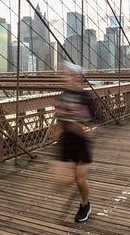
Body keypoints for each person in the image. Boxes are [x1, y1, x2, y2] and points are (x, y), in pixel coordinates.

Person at [53, 61, 96, 222]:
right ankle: (75, 184)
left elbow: (94, 121)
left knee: (79, 179)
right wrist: (57, 129)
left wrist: (87, 128)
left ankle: (85, 205)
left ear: (76, 76)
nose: (64, 76)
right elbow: (59, 116)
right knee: (61, 181)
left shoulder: (86, 97)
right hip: (65, 142)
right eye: (63, 73)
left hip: (81, 142)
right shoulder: (62, 96)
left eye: (68, 73)